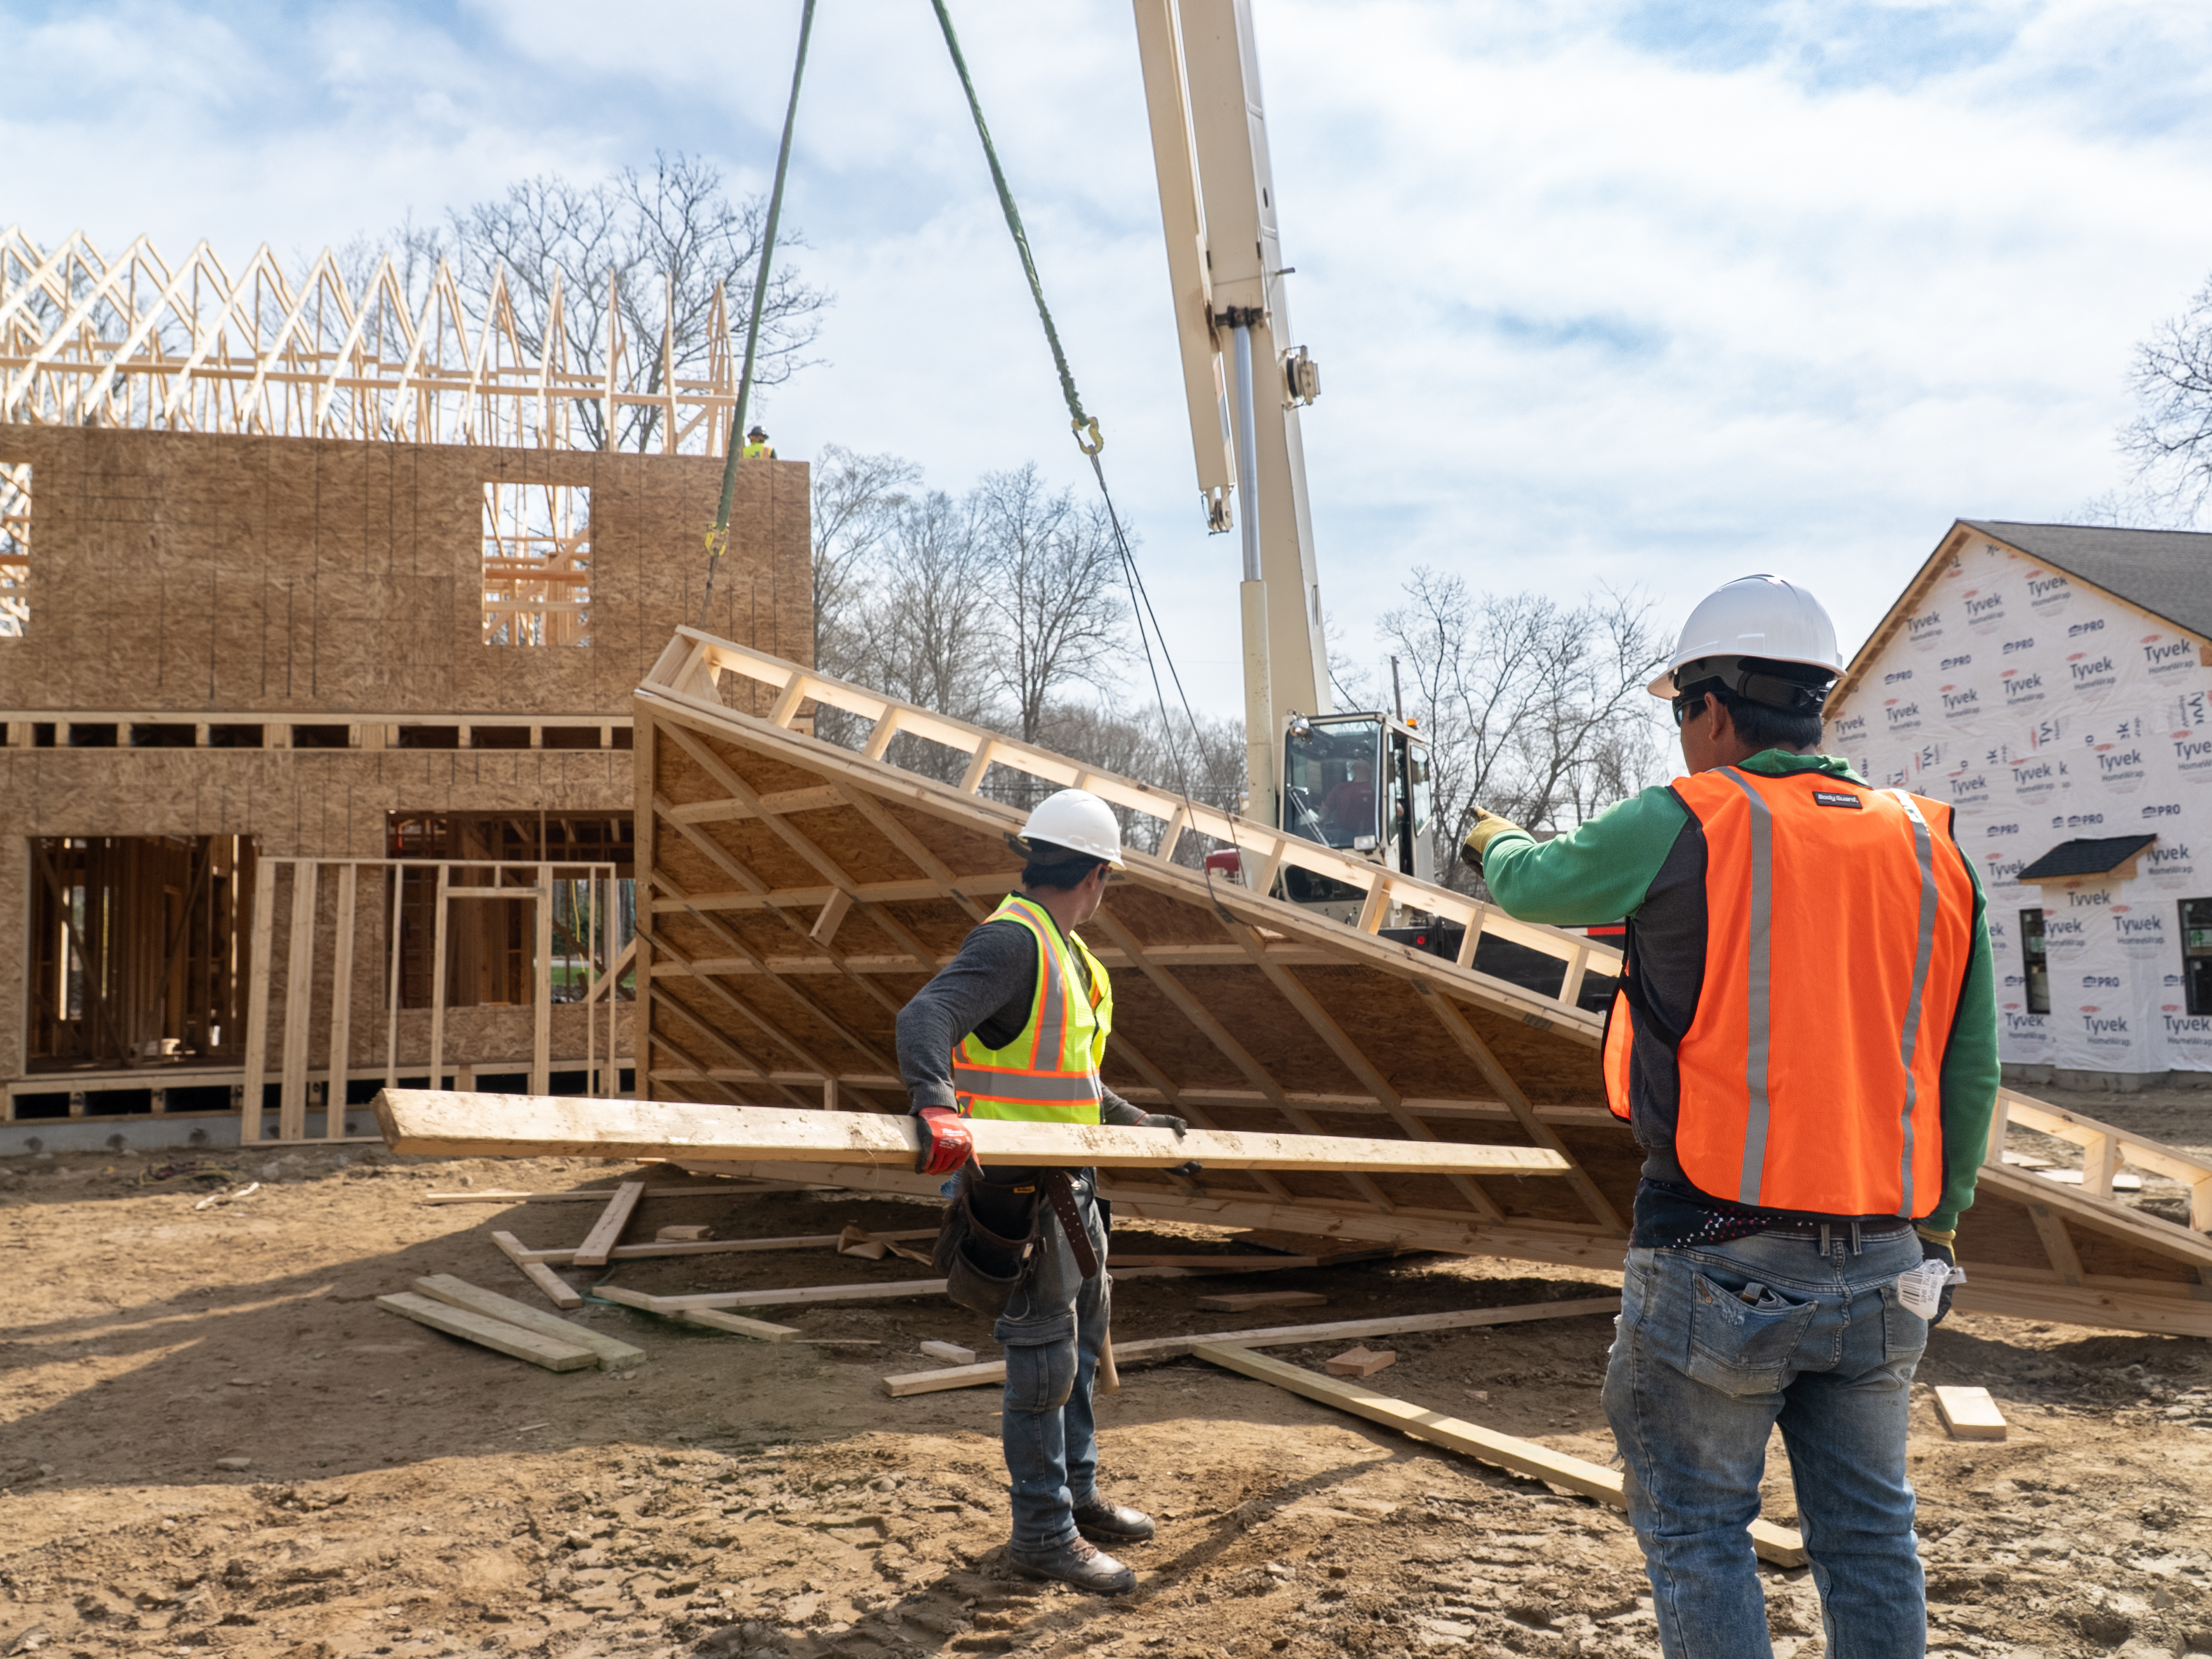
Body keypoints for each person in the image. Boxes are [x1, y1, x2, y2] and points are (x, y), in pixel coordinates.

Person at [1462, 575, 1998, 1659]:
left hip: (1716, 1253)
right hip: (1891, 1262)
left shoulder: (1689, 819)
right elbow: (1969, 1064)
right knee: (1871, 1534)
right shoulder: (1929, 846)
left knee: (1702, 1528)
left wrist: (1490, 840)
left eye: (1678, 713)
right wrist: (1937, 1232)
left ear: (1710, 706)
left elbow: (1534, 887)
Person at [895, 787, 1186, 1596]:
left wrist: (1136, 1122)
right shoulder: (1015, 943)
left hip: (1074, 1187)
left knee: (1083, 1346)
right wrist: (935, 1107)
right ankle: (1043, 1534)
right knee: (1043, 1361)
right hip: (1021, 1191)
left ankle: (1078, 1495)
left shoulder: (1068, 953)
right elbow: (923, 1020)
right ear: (1094, 875)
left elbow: (1074, 1080)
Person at [1320, 757, 1376, 845]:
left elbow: (1398, 810)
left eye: (1363, 757)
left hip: (1370, 838)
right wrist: (1319, 819)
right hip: (1344, 836)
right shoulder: (1341, 788)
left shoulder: (1378, 789)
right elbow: (1324, 811)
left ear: (1370, 767)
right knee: (1322, 836)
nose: (1358, 758)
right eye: (1357, 758)